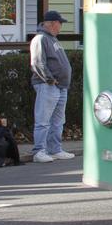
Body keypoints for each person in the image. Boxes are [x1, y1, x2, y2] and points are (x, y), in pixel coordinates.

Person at [30, 10, 75, 163]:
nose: (61, 26)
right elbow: (37, 62)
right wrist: (50, 79)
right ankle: (39, 151)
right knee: (43, 120)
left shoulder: (53, 39)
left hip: (61, 86)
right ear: (53, 23)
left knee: (58, 121)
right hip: (48, 85)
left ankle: (55, 149)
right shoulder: (41, 39)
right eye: (60, 23)